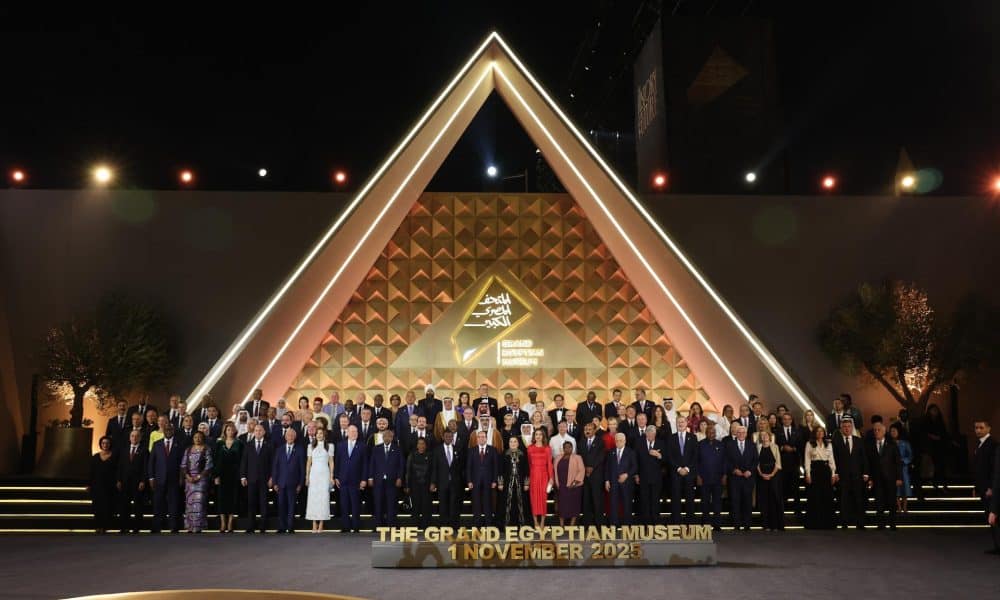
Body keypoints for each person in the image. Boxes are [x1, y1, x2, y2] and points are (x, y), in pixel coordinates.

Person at [833, 417, 869, 529]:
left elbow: (864, 458)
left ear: (852, 427)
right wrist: (835, 473)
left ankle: (860, 523)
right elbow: (834, 459)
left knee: (859, 500)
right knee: (843, 500)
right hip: (842, 476)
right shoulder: (836, 442)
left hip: (857, 475)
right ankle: (844, 523)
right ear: (841, 429)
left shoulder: (858, 440)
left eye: (849, 426)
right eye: (844, 427)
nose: (847, 429)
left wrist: (866, 473)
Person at [148, 423, 184, 534]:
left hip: (174, 479)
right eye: (166, 429)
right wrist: (151, 477)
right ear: (163, 430)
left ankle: (174, 527)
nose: (168, 431)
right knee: (158, 503)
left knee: (174, 503)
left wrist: (181, 478)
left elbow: (182, 463)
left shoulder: (180, 444)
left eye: (170, 429)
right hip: (159, 479)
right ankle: (157, 527)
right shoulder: (156, 444)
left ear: (173, 430)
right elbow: (151, 462)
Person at [867, 422, 902, 530]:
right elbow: (869, 463)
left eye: (879, 430)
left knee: (891, 502)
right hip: (877, 479)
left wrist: (899, 478)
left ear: (884, 431)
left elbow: (897, 462)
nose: (876, 432)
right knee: (879, 502)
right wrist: (870, 478)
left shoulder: (892, 444)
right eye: (875, 430)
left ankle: (892, 524)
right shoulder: (870, 445)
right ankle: (881, 524)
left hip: (890, 478)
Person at [333, 425, 368, 533]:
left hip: (356, 481)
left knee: (355, 504)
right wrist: (336, 476)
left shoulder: (362, 446)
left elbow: (365, 464)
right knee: (344, 504)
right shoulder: (340, 445)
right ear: (347, 433)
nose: (354, 433)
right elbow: (337, 462)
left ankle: (356, 526)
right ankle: (345, 526)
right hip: (343, 480)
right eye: (352, 431)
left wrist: (364, 479)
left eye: (356, 431)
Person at [271, 427, 306, 534]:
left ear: (295, 437)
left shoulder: (300, 449)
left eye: (292, 435)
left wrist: (300, 483)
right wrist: (275, 482)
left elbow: (302, 468)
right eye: (288, 435)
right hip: (281, 483)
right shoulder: (279, 449)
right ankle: (282, 526)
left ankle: (290, 527)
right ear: (285, 437)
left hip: (294, 483)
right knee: (281, 505)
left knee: (291, 506)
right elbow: (275, 467)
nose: (290, 437)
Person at [240, 423, 272, 533]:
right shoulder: (248, 445)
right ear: (254, 432)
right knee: (251, 503)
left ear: (264, 432)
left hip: (265, 479)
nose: (258, 432)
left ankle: (263, 526)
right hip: (251, 479)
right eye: (256, 430)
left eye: (260, 430)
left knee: (264, 503)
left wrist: (272, 478)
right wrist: (243, 476)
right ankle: (251, 526)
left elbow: (272, 463)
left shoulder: (269, 445)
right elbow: (244, 462)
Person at [180, 431, 213, 533]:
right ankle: (190, 526)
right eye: (195, 437)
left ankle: (198, 526)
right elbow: (183, 465)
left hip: (201, 480)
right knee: (190, 503)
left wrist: (198, 477)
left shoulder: (207, 449)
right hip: (189, 480)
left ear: (203, 438)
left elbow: (209, 465)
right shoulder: (188, 449)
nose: (197, 439)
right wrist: (187, 476)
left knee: (199, 502)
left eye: (199, 437)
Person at [369, 429, 404, 527]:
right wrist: (370, 477)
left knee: (391, 503)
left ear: (392, 438)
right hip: (378, 481)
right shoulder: (376, 448)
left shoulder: (397, 449)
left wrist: (399, 478)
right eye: (385, 436)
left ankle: (390, 525)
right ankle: (378, 526)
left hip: (392, 481)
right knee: (378, 503)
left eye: (389, 436)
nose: (387, 438)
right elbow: (372, 464)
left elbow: (401, 465)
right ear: (382, 437)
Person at [804, 425, 837, 529]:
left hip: (826, 471)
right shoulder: (809, 444)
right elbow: (807, 460)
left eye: (821, 431)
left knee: (827, 496)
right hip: (815, 471)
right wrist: (808, 474)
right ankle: (814, 523)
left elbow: (832, 460)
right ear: (814, 433)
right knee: (815, 497)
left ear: (824, 433)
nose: (820, 433)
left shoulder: (829, 444)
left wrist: (833, 474)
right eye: (817, 431)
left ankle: (827, 523)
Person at [213, 422, 243, 533]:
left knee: (233, 498)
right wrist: (215, 476)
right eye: (228, 429)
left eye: (232, 429)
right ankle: (223, 522)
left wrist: (241, 476)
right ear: (225, 431)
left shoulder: (239, 443)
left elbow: (241, 461)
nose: (230, 431)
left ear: (235, 431)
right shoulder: (219, 443)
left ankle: (230, 522)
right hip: (221, 475)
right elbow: (215, 460)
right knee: (221, 499)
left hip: (234, 475)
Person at [726, 425, 757, 531]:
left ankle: (747, 524)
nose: (741, 434)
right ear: (736, 433)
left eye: (743, 432)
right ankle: (736, 524)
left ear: (746, 434)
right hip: (735, 478)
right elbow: (726, 461)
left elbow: (755, 461)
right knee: (735, 502)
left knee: (747, 502)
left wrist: (750, 471)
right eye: (739, 432)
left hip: (748, 478)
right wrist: (734, 470)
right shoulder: (729, 445)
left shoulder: (752, 445)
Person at [117, 429, 148, 534]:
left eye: (136, 436)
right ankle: (124, 527)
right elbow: (120, 466)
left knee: (138, 506)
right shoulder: (124, 450)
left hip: (138, 482)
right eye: (132, 436)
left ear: (140, 438)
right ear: (129, 437)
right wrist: (119, 480)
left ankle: (137, 527)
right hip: (125, 482)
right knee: (124, 505)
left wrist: (143, 481)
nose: (134, 438)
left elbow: (145, 467)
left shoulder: (144, 450)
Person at [668, 416, 698, 524]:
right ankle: (676, 522)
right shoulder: (671, 438)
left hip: (689, 473)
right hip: (676, 473)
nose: (680, 424)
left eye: (682, 422)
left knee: (689, 498)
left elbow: (695, 455)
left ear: (686, 424)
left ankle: (690, 522)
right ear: (676, 424)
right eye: (678, 422)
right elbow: (669, 456)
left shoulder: (693, 437)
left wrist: (687, 468)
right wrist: (679, 468)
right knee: (676, 499)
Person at [430, 430, 463, 527]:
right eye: (447, 436)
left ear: (453, 437)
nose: (448, 438)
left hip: (455, 483)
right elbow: (434, 468)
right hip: (442, 482)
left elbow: (460, 467)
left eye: (450, 436)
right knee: (443, 505)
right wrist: (433, 482)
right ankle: (443, 526)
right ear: (443, 437)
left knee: (454, 505)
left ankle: (454, 526)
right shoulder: (437, 450)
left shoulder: (457, 449)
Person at [973, 421, 997, 552]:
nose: (978, 430)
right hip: (983, 486)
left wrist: (991, 487)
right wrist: (976, 487)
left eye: (981, 427)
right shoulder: (980, 444)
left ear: (989, 428)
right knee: (989, 515)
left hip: (989, 487)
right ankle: (997, 544)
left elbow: (993, 468)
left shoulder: (992, 444)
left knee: (993, 516)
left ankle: (998, 545)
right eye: (976, 428)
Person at [467, 430, 499, 526]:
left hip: (488, 481)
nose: (481, 438)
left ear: (486, 438)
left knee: (487, 503)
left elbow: (495, 466)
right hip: (475, 481)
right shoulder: (472, 450)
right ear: (477, 439)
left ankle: (489, 525)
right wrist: (469, 480)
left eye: (483, 437)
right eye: (479, 437)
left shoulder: (493, 449)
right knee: (476, 504)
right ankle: (477, 526)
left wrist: (494, 480)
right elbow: (468, 467)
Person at [697, 422, 726, 530]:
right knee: (704, 502)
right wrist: (698, 476)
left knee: (717, 502)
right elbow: (697, 461)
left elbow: (724, 461)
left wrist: (724, 475)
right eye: (709, 432)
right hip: (704, 478)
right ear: (706, 433)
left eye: (713, 432)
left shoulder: (720, 445)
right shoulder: (700, 444)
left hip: (718, 478)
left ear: (715, 433)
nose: (711, 434)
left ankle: (717, 525)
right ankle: (705, 525)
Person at [304, 427, 334, 532]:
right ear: (315, 435)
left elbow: (331, 462)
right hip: (314, 474)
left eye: (321, 433)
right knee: (313, 499)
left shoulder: (330, 446)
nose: (319, 435)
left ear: (324, 435)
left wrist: (331, 476)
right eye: (317, 433)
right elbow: (308, 462)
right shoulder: (310, 446)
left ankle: (321, 524)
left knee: (323, 498)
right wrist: (307, 476)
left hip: (324, 474)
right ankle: (313, 524)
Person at [605, 432, 637, 526]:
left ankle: (627, 526)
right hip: (613, 482)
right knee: (613, 505)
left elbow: (635, 467)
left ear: (625, 441)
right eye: (617, 441)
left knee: (627, 505)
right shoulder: (611, 452)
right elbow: (607, 467)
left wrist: (627, 475)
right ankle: (614, 525)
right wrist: (607, 480)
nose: (619, 442)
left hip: (626, 483)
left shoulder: (631, 452)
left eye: (621, 440)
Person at [775, 412, 804, 515]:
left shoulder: (797, 431)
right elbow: (775, 446)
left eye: (789, 419)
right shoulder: (777, 431)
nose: (787, 421)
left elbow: (801, 446)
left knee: (795, 487)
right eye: (785, 419)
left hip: (794, 463)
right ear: (782, 420)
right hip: (782, 463)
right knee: (782, 487)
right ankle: (781, 509)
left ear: (791, 420)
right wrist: (783, 447)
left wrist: (794, 449)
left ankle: (798, 510)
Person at [579, 423, 607, 526]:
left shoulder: (600, 441)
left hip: (597, 475)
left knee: (597, 500)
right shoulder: (581, 442)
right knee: (586, 500)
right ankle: (587, 524)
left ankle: (599, 524)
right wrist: (585, 467)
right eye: (586, 429)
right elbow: (580, 457)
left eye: (590, 429)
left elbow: (601, 456)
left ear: (595, 430)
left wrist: (592, 467)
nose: (587, 431)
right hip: (585, 476)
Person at [88, 435, 117, 533]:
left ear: (110, 444)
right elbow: (91, 472)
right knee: (97, 507)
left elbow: (117, 471)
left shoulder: (115, 456)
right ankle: (98, 526)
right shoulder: (95, 457)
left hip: (110, 486)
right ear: (100, 444)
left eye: (107, 443)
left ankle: (105, 527)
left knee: (107, 506)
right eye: (103, 443)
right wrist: (89, 484)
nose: (105, 445)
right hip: (97, 486)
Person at [499, 436, 529, 526]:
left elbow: (526, 469)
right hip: (507, 483)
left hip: (520, 483)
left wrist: (526, 483)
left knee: (520, 503)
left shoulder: (523, 454)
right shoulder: (504, 454)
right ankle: (506, 525)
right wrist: (500, 483)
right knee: (507, 503)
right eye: (511, 441)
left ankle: (521, 524)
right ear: (509, 443)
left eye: (515, 441)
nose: (513, 443)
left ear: (518, 443)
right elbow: (500, 469)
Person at [756, 431, 784, 531]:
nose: (764, 437)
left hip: (774, 476)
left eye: (766, 435)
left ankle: (775, 525)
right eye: (762, 436)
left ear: (769, 437)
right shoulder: (758, 447)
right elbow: (756, 463)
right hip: (762, 476)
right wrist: (761, 474)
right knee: (764, 501)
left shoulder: (775, 446)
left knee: (773, 500)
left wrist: (771, 474)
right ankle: (766, 525)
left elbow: (778, 463)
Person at [527, 429, 554, 528]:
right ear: (534, 436)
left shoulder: (547, 448)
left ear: (543, 436)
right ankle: (535, 522)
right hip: (533, 475)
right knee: (533, 499)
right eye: (536, 434)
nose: (538, 436)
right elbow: (529, 464)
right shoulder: (529, 448)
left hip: (544, 476)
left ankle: (542, 521)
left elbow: (550, 464)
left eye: (540, 434)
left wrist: (551, 478)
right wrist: (528, 478)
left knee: (543, 499)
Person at [401, 436, 430, 528]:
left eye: (423, 444)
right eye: (419, 443)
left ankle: (425, 527)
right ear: (417, 445)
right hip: (414, 486)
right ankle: (414, 526)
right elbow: (408, 472)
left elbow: (432, 470)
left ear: (426, 445)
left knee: (426, 507)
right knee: (415, 507)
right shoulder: (412, 455)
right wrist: (407, 485)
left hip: (426, 485)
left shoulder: (430, 455)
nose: (421, 445)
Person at [554, 440, 584, 526]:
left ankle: (572, 525)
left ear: (572, 448)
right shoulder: (557, 458)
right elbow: (554, 471)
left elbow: (581, 470)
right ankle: (561, 525)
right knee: (562, 506)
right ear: (563, 448)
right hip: (561, 486)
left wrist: (575, 482)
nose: (567, 449)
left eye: (569, 447)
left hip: (574, 486)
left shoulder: (578, 457)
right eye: (565, 447)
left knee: (574, 506)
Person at [889, 422, 912, 513]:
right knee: (895, 489)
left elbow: (910, 456)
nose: (893, 433)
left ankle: (905, 507)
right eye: (891, 431)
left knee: (905, 487)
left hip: (903, 468)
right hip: (892, 468)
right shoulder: (889, 443)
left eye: (894, 431)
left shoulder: (905, 443)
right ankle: (898, 507)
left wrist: (904, 461)